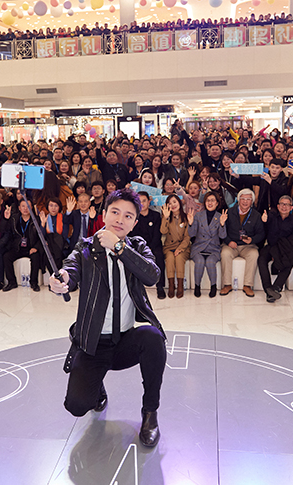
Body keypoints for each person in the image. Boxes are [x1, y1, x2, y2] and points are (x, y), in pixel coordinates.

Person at [49, 188, 166, 448]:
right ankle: (97, 387)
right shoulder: (86, 247)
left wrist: (119, 247)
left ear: (134, 223)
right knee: (77, 406)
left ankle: (150, 413)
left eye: (128, 216)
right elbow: (71, 269)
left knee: (153, 337)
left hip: (126, 341)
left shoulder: (137, 246)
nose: (120, 220)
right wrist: (62, 280)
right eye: (115, 212)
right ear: (104, 214)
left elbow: (152, 276)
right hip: (93, 344)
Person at [220, 189, 265, 297]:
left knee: (254, 254)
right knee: (225, 253)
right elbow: (222, 231)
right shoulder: (229, 212)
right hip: (231, 244)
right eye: (243, 198)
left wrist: (252, 240)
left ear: (252, 201)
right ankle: (227, 284)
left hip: (248, 246)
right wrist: (228, 241)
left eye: (248, 199)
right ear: (238, 200)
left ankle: (248, 285)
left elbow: (261, 234)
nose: (245, 201)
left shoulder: (256, 215)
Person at [258, 195, 293, 302]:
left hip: (286, 248)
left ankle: (276, 287)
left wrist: (278, 254)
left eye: (287, 205)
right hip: (271, 246)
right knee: (261, 259)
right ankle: (268, 288)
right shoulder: (271, 217)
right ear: (278, 206)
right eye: (282, 204)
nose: (284, 207)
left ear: (291, 208)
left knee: (290, 261)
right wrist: (264, 221)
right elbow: (264, 231)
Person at [187, 192, 227, 298]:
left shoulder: (220, 217)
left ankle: (213, 286)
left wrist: (222, 224)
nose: (210, 203)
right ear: (204, 202)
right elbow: (191, 234)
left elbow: (222, 236)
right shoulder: (198, 215)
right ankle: (197, 286)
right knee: (199, 261)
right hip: (198, 248)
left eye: (213, 200)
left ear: (217, 203)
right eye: (208, 200)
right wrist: (190, 223)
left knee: (210, 262)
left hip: (213, 249)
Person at [129, 192, 166, 299]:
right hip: (139, 246)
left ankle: (160, 286)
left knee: (159, 257)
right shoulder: (134, 216)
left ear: (149, 202)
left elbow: (157, 234)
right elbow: (132, 235)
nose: (142, 204)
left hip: (154, 245)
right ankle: (135, 287)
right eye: (139, 201)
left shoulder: (156, 215)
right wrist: (142, 247)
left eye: (144, 201)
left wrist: (150, 247)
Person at [2, 199, 43, 292]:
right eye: (23, 206)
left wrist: (35, 247)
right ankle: (12, 282)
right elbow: (6, 232)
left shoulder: (36, 220)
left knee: (36, 257)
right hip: (17, 248)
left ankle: (34, 282)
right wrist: (6, 219)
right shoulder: (14, 219)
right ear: (19, 208)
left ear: (31, 208)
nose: (25, 209)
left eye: (28, 206)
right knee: (6, 257)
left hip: (31, 247)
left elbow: (41, 237)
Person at [160, 194, 190, 298]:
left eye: (174, 202)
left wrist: (180, 248)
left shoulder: (186, 217)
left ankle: (180, 285)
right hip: (169, 246)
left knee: (179, 257)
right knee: (170, 258)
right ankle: (171, 285)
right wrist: (165, 218)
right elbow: (163, 231)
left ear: (179, 203)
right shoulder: (166, 216)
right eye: (169, 203)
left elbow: (187, 237)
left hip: (183, 247)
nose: (173, 205)